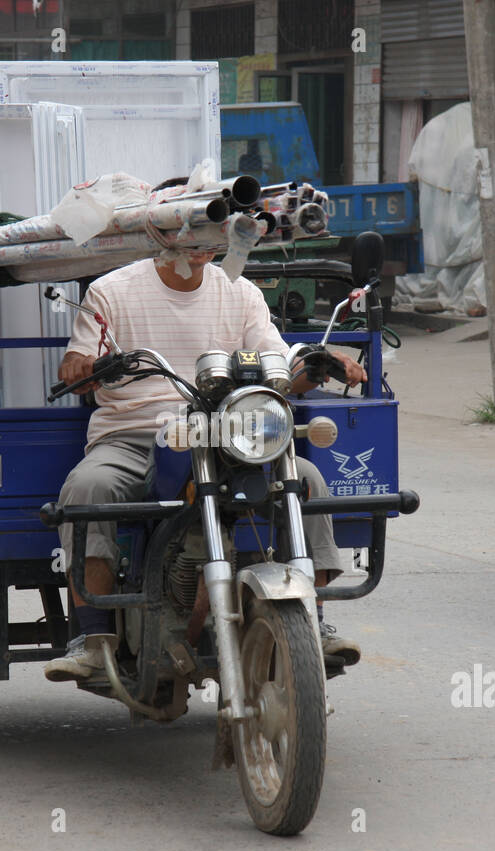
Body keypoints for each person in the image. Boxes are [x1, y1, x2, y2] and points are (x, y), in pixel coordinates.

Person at [44, 183, 366, 683]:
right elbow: (75, 363)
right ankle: (91, 635)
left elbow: (281, 366)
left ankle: (313, 622)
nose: (207, 242)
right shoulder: (111, 290)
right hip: (135, 434)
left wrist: (321, 365)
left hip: (228, 433)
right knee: (88, 489)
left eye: (216, 230)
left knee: (307, 480)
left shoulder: (240, 292)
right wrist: (85, 364)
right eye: (197, 228)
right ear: (165, 231)